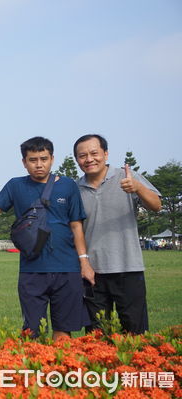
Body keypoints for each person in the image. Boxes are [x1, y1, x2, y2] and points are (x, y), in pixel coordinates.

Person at [0, 136, 94, 340]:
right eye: (33, 160)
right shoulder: (15, 186)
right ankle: (34, 371)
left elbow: (76, 226)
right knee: (32, 332)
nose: (39, 164)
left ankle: (58, 371)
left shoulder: (68, 186)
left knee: (63, 332)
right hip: (32, 270)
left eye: (44, 158)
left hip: (66, 268)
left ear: (52, 159)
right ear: (24, 162)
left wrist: (84, 263)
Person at [74, 134, 161, 334]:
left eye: (94, 153)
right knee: (96, 334)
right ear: (77, 160)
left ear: (105, 153)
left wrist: (138, 188)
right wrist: (84, 263)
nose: (89, 159)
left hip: (128, 267)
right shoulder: (75, 188)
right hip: (92, 272)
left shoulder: (127, 176)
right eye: (82, 156)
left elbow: (156, 205)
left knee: (134, 332)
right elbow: (75, 229)